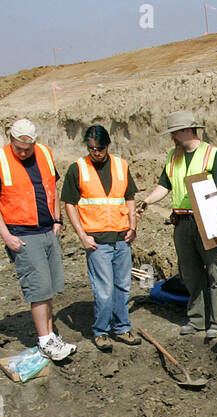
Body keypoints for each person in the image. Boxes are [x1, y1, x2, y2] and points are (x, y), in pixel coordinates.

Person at [0, 118, 75, 361]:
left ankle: (51, 335)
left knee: (50, 287)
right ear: (10, 139)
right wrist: (6, 236)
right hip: (22, 234)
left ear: (35, 143)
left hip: (47, 229)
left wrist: (57, 220)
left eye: (27, 149)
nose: (23, 153)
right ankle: (45, 340)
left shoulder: (44, 153)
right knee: (38, 288)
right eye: (19, 148)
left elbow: (53, 186)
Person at [137, 110, 217, 339]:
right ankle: (197, 320)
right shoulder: (173, 156)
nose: (173, 138)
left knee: (216, 272)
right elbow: (165, 185)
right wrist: (148, 200)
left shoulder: (212, 155)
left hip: (208, 222)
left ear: (186, 131)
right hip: (182, 222)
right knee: (190, 273)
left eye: (175, 133)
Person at [62, 125, 141, 353]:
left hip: (121, 237)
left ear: (108, 146)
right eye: (91, 149)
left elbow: (129, 197)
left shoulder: (121, 166)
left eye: (99, 148)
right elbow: (69, 203)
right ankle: (101, 331)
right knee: (104, 290)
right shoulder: (78, 169)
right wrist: (82, 236)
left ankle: (122, 327)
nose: (95, 153)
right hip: (97, 240)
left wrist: (133, 225)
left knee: (123, 287)